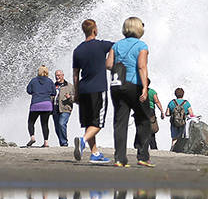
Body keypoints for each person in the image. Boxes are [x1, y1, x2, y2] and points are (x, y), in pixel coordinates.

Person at [109, 16, 154, 167]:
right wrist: (145, 88)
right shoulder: (141, 45)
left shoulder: (116, 45)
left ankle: (119, 159)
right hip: (134, 86)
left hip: (117, 86)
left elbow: (108, 64)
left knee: (120, 122)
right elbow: (142, 66)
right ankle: (142, 156)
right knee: (144, 120)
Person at [72, 18, 113, 163]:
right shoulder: (102, 45)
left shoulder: (77, 50)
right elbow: (118, 47)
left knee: (89, 123)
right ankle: (82, 141)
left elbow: (75, 74)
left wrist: (76, 92)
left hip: (83, 90)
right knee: (98, 123)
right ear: (95, 30)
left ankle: (95, 153)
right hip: (98, 88)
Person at [25, 66, 56, 147]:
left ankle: (32, 137)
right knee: (45, 124)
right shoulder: (50, 81)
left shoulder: (33, 80)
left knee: (31, 122)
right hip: (47, 104)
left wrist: (36, 92)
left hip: (36, 104)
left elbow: (29, 90)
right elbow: (54, 93)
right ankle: (46, 142)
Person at [52, 69, 74, 148]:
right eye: (56, 75)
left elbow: (76, 98)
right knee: (57, 127)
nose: (57, 77)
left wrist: (70, 97)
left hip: (65, 108)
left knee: (62, 124)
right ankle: (62, 143)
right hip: (55, 108)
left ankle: (64, 143)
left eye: (58, 75)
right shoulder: (53, 86)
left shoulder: (69, 86)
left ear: (62, 75)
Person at [146, 80, 165, 150]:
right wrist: (162, 111)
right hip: (150, 111)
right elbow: (157, 101)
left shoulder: (139, 91)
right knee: (151, 129)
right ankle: (153, 147)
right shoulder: (152, 92)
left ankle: (140, 146)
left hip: (141, 110)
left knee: (142, 128)